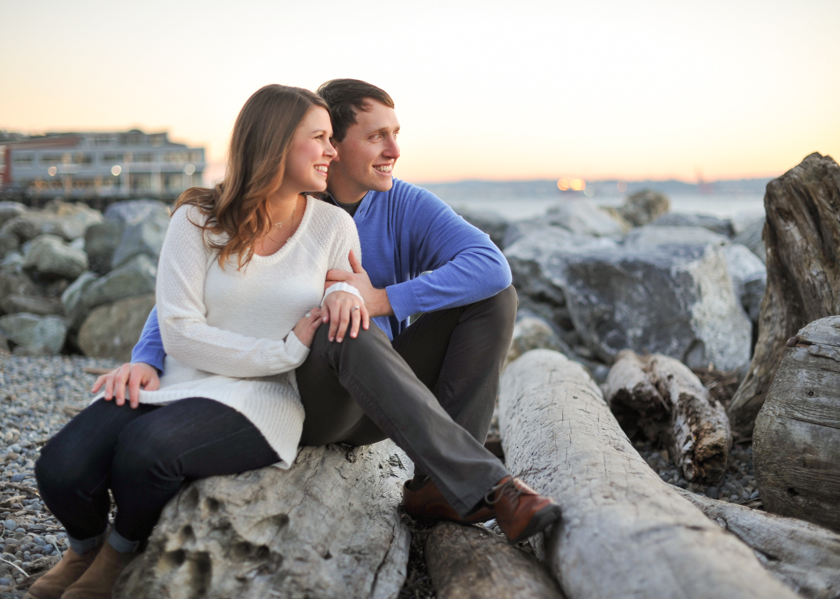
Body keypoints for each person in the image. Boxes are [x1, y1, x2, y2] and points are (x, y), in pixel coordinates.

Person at [97, 80, 560, 545]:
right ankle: (486, 484)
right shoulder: (277, 203)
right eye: (377, 136)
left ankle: (438, 486)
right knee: (343, 326)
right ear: (331, 144)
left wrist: (381, 298)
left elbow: (491, 267)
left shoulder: (401, 202)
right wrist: (147, 357)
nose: (394, 149)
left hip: (382, 394)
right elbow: (194, 290)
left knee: (494, 299)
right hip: (304, 395)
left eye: (395, 133)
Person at [28, 84, 369, 599]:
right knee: (59, 466)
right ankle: (84, 547)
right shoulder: (196, 217)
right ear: (275, 143)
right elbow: (180, 333)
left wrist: (348, 293)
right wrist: (280, 349)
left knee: (146, 452)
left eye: (331, 139)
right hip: (185, 377)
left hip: (265, 397)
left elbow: (345, 287)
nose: (333, 151)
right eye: (319, 138)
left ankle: (119, 554)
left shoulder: (334, 226)